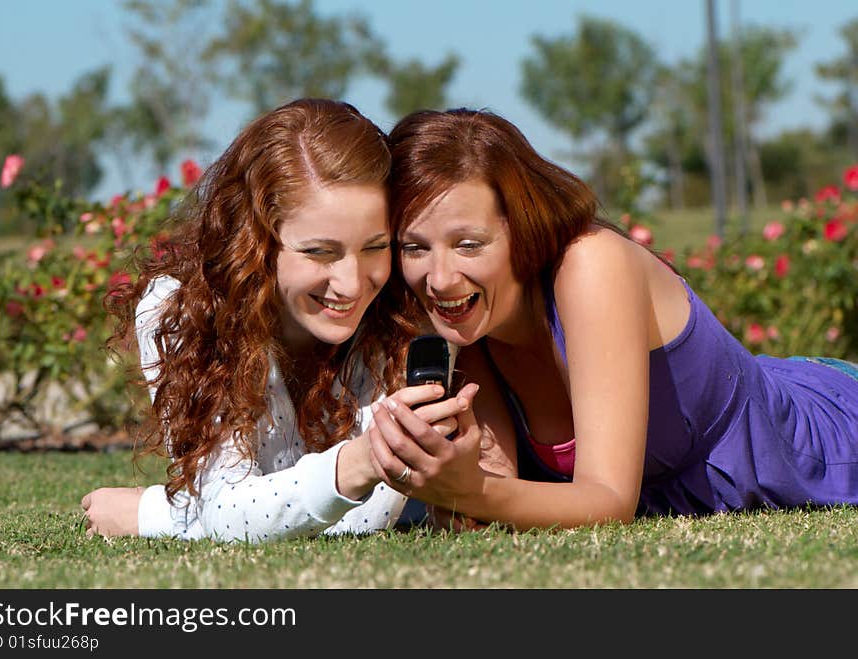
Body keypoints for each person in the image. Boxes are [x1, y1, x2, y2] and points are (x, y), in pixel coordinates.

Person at [366, 107, 858, 532]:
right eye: (415, 247)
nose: (441, 277)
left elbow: (607, 500)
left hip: (825, 436)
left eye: (469, 243)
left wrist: (472, 491)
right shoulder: (466, 322)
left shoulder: (591, 265)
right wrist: (450, 485)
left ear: (523, 228)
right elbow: (496, 497)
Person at [80, 99, 473, 542]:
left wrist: (160, 515)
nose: (351, 283)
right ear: (257, 241)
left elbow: (367, 518)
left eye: (374, 247)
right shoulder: (177, 310)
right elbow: (232, 509)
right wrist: (362, 462)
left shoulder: (402, 312)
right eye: (319, 252)